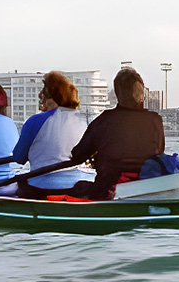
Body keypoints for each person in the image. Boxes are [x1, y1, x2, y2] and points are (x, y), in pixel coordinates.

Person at [70, 67, 165, 200]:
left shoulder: (104, 120)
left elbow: (78, 154)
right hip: (147, 186)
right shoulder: (155, 120)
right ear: (141, 92)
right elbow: (159, 151)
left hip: (109, 189)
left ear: (117, 94)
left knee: (79, 187)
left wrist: (95, 154)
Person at [12, 71, 94, 198]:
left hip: (41, 187)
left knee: (20, 182)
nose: (40, 96)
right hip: (79, 185)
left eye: (44, 93)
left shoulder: (35, 121)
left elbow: (19, 157)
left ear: (52, 98)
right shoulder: (85, 120)